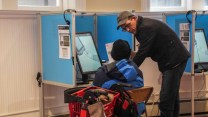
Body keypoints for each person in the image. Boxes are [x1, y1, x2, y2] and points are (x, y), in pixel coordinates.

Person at [117, 11, 191, 117]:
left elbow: (143, 54)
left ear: (133, 18)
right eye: (125, 28)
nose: (128, 30)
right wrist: (136, 54)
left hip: (174, 61)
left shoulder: (145, 28)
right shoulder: (142, 26)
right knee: (172, 97)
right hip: (175, 60)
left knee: (166, 101)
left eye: (128, 25)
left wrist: (126, 71)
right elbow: (149, 49)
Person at [92, 39, 145, 116]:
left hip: (113, 112)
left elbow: (92, 92)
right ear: (129, 53)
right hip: (134, 111)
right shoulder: (138, 72)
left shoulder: (102, 73)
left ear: (112, 54)